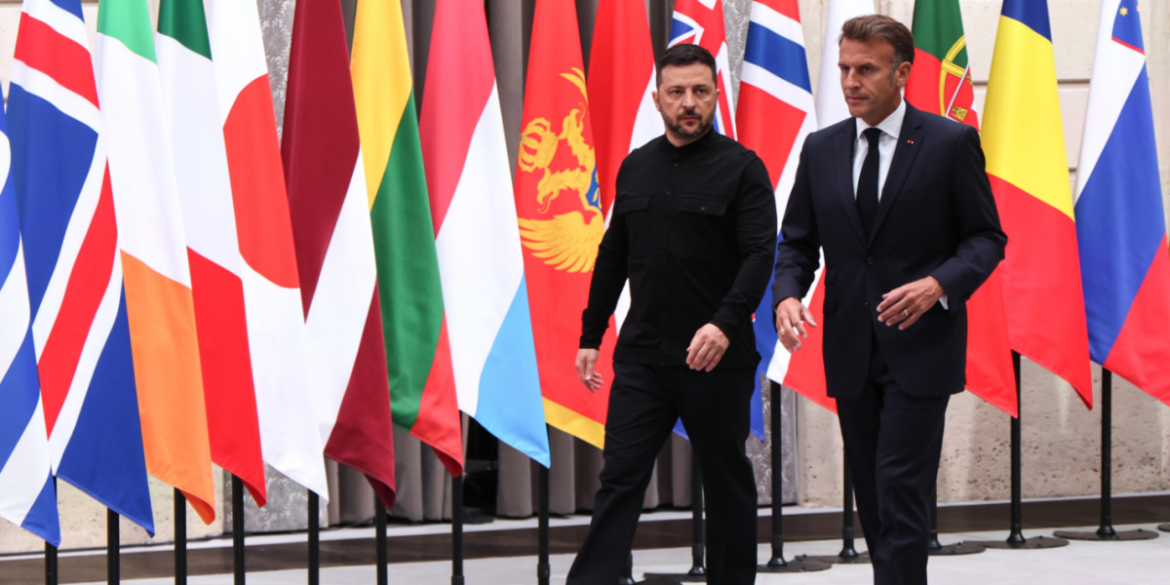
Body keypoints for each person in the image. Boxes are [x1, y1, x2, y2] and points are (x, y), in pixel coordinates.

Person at [772, 15, 1006, 585]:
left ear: (902, 73)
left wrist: (939, 283)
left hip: (921, 346)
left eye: (866, 69)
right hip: (851, 347)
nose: (851, 82)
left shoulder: (949, 143)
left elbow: (986, 238)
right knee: (874, 494)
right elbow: (797, 242)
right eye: (844, 69)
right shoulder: (821, 149)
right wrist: (787, 295)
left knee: (901, 485)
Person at [567, 43, 775, 585]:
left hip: (715, 358)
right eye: (677, 92)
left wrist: (725, 323)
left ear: (715, 96)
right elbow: (613, 254)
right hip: (643, 358)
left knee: (725, 480)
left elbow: (759, 256)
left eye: (700, 91)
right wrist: (591, 333)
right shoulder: (636, 166)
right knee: (620, 478)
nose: (689, 103)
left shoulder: (743, 169)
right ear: (657, 99)